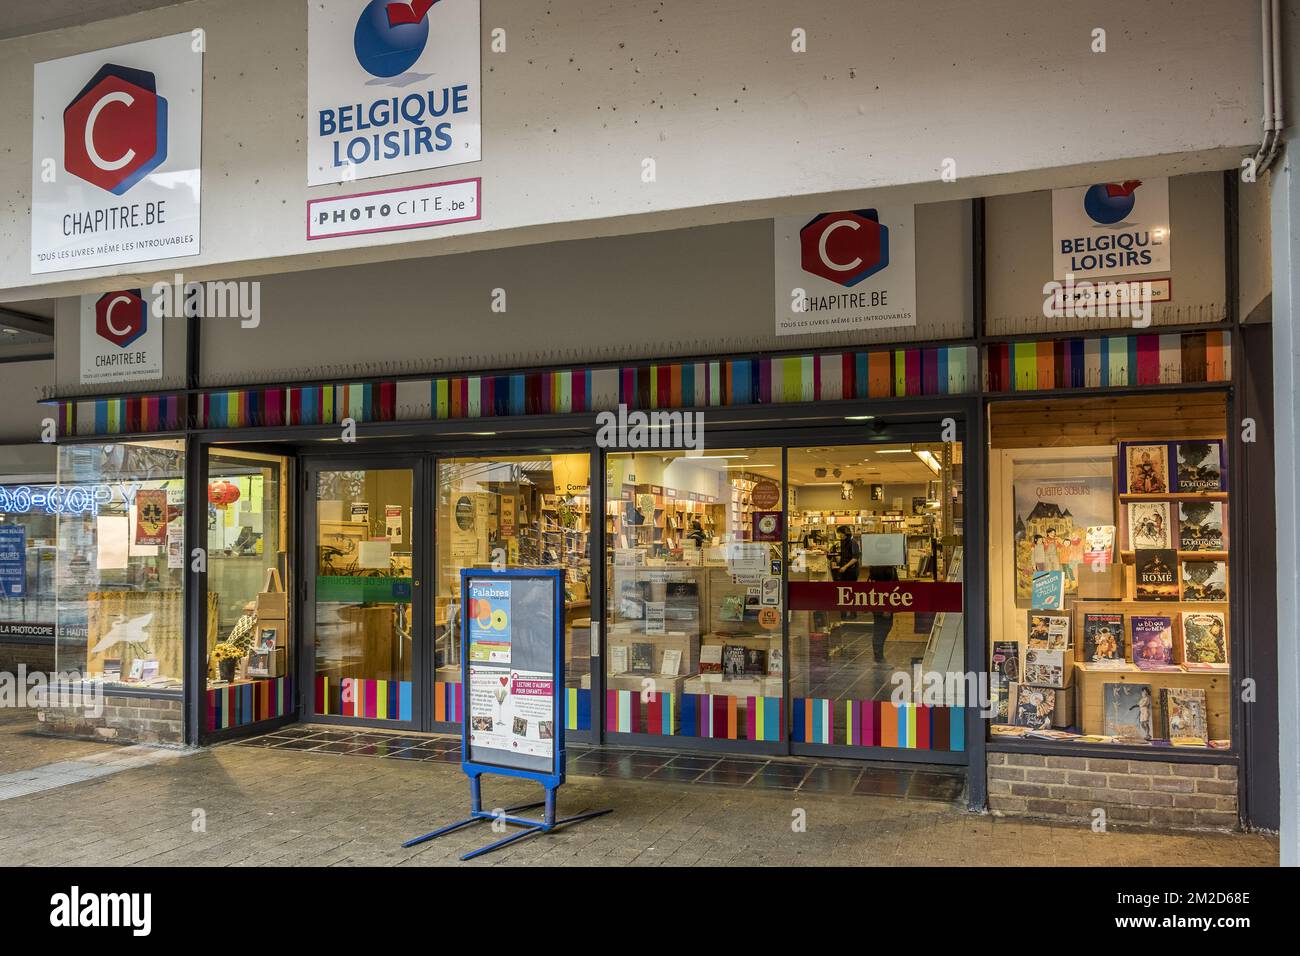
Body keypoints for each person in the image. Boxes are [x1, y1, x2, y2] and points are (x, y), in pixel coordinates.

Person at [867, 563, 899, 663]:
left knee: (881, 627)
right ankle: (878, 657)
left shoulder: (878, 566)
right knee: (882, 627)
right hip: (884, 601)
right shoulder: (884, 569)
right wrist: (887, 608)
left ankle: (878, 655)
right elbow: (887, 587)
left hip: (880, 601)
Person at [832, 525, 861, 620]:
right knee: (843, 591)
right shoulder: (843, 542)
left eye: (840, 533)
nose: (839, 535)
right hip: (845, 570)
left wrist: (845, 566)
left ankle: (853, 613)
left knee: (851, 591)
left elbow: (855, 558)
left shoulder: (853, 543)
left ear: (844, 533)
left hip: (851, 570)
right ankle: (843, 613)